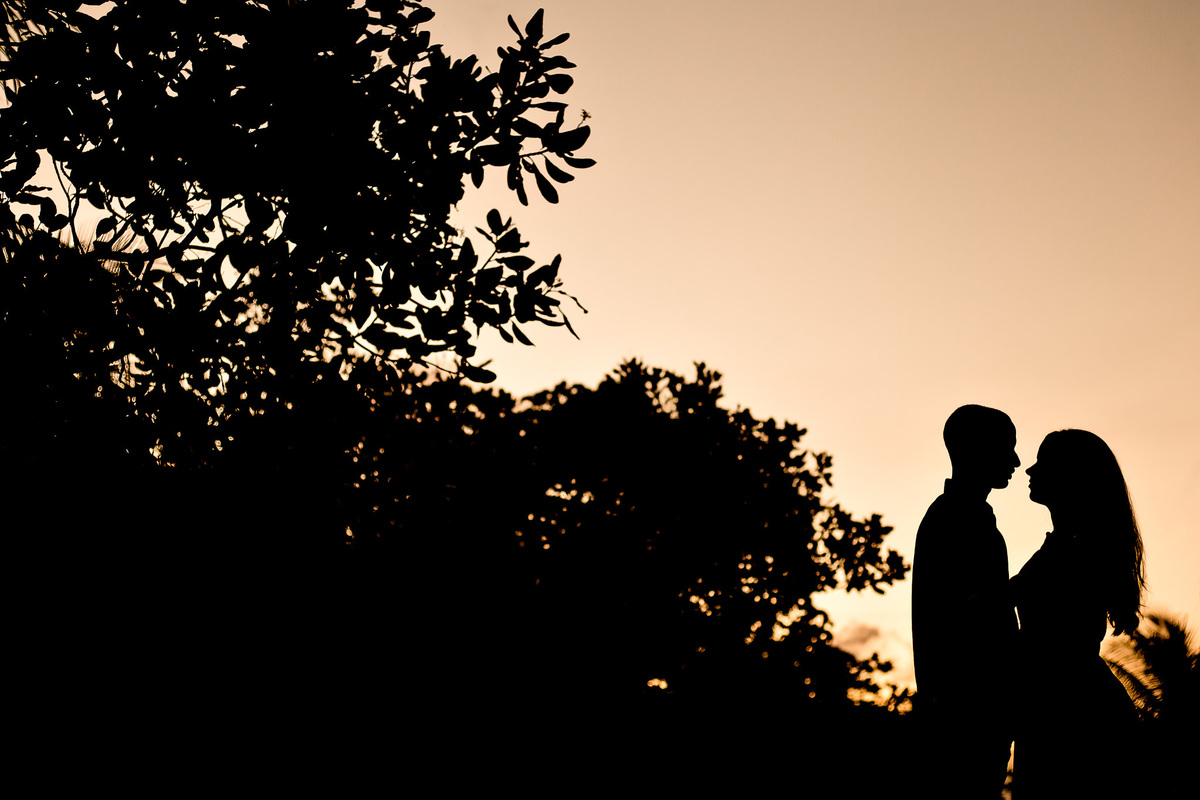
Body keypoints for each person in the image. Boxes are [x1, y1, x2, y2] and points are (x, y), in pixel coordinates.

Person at [1010, 429, 1144, 798]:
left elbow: (1052, 644)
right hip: (1065, 707)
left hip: (1072, 714)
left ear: (1070, 476)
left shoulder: (1073, 555)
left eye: (1043, 462)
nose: (1029, 470)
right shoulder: (1066, 548)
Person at [912, 405, 1021, 799]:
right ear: (976, 450)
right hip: (967, 715)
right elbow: (961, 617)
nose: (1015, 461)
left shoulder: (967, 518)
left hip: (975, 713)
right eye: (1006, 448)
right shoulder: (953, 520)